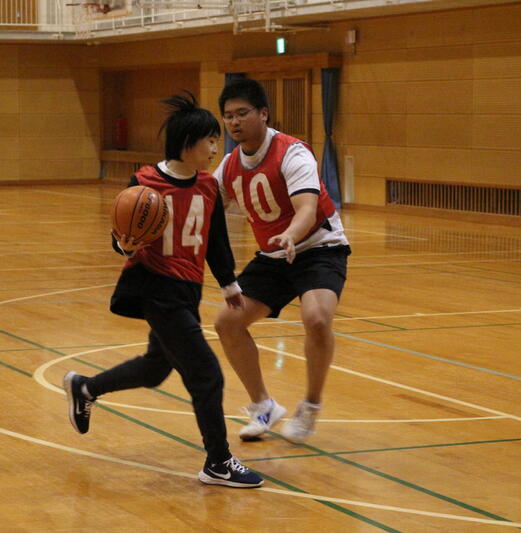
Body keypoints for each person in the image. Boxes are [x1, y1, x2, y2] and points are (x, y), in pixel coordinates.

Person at [63, 92, 263, 489]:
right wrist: (125, 246)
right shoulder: (144, 183)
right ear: (187, 143)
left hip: (188, 289)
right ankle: (218, 461)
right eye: (209, 141)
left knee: (156, 368)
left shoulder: (208, 186)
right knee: (207, 374)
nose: (214, 149)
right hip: (156, 288)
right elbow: (122, 233)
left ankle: (85, 387)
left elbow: (216, 240)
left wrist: (229, 283)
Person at [213, 77, 350, 444]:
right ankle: (263, 406)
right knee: (227, 323)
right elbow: (207, 208)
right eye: (228, 116)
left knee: (317, 319)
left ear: (263, 113)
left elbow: (307, 208)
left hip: (319, 246)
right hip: (273, 255)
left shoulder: (293, 152)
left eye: (242, 113)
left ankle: (311, 405)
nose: (235, 122)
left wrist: (290, 234)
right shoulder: (228, 166)